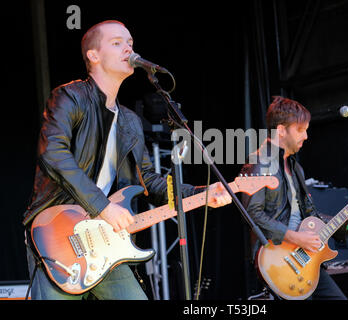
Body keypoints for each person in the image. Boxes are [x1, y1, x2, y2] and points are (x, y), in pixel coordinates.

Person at [23, 20, 231, 300]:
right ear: (93, 55)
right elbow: (53, 155)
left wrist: (203, 193)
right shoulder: (69, 96)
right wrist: (103, 207)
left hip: (104, 239)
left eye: (130, 42)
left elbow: (152, 184)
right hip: (57, 231)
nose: (128, 48)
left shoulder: (131, 122)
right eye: (117, 42)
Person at [240, 96, 348, 300]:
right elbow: (252, 215)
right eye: (300, 129)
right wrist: (295, 237)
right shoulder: (258, 163)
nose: (306, 136)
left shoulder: (296, 168)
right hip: (278, 262)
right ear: (281, 130)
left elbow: (312, 216)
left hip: (305, 259)